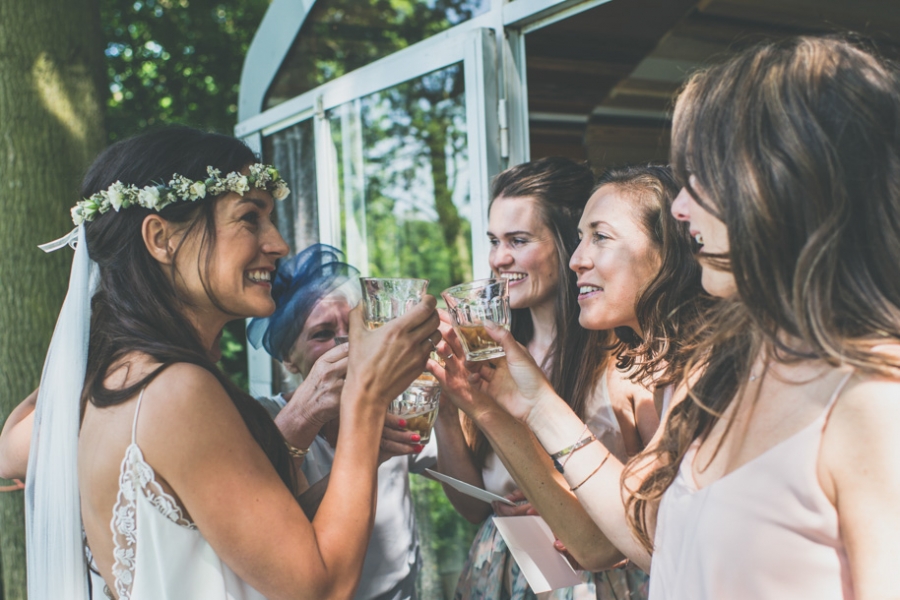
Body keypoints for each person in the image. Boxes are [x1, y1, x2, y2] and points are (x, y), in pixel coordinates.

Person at [472, 36, 900, 598]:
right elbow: (644, 533)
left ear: (784, 181)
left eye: (700, 174)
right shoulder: (721, 375)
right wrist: (531, 399)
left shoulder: (874, 401)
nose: (679, 207)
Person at [27, 126, 441, 600]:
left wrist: (353, 451)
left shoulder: (121, 376)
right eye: (250, 218)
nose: (279, 244)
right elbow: (321, 587)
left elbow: (257, 548)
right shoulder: (175, 391)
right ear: (162, 238)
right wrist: (366, 398)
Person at [434, 163, 706, 597]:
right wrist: (452, 406)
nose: (498, 258)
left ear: (669, 249)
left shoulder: (655, 368)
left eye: (518, 240)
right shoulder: (493, 362)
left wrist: (551, 489)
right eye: (493, 241)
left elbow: (633, 537)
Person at [246, 243, 436, 600]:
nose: (345, 342)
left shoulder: (391, 404)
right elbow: (271, 528)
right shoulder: (263, 421)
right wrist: (366, 449)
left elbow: (463, 485)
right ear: (288, 358)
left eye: (353, 328)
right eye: (321, 334)